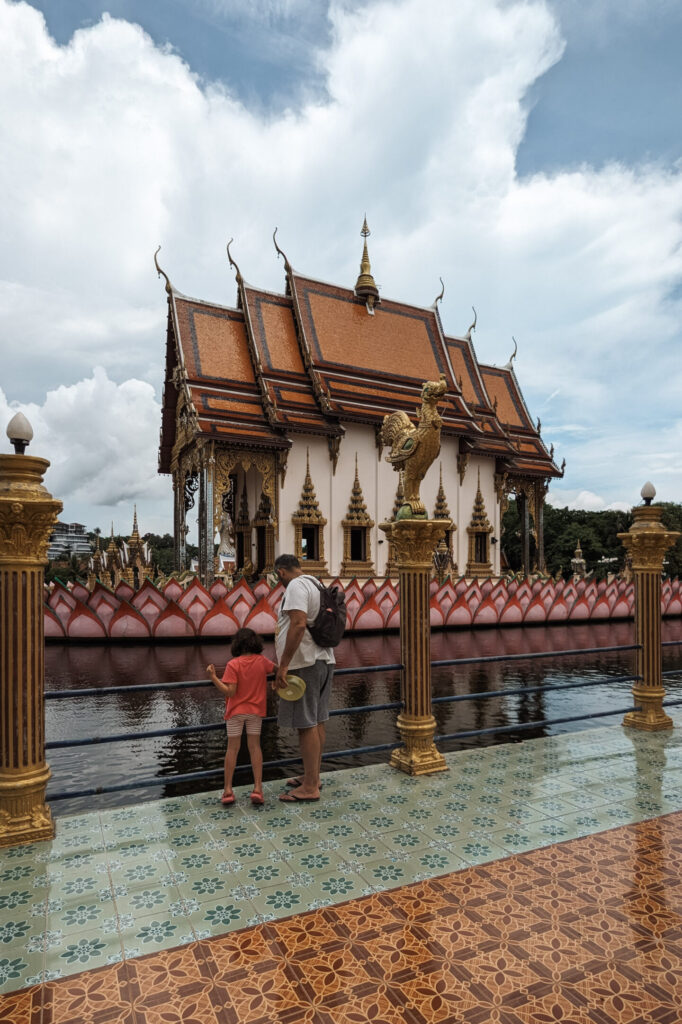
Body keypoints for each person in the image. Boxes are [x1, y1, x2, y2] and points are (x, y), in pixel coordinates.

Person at [273, 554, 334, 803]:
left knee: (306, 724)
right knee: (317, 721)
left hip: (305, 662)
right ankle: (313, 776)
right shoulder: (315, 583)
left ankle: (310, 787)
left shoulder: (296, 586)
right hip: (323, 659)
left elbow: (298, 624)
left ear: (280, 572)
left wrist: (283, 665)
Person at [207, 627, 276, 806]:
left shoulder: (233, 664)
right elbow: (276, 669)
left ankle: (228, 790)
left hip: (236, 712)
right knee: (255, 748)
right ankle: (258, 789)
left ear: (237, 644)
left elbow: (230, 691)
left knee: (232, 750)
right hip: (255, 712)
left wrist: (214, 678)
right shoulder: (262, 661)